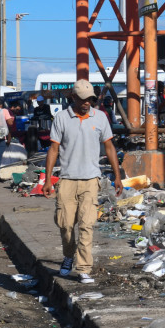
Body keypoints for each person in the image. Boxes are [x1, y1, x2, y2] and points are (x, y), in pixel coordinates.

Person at [42, 80, 123, 285]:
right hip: (67, 180)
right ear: (73, 98)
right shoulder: (62, 118)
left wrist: (118, 176)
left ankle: (84, 268)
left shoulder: (100, 117)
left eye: (90, 99)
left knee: (87, 225)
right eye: (83, 99)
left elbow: (109, 147)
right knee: (66, 225)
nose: (87, 103)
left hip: (90, 180)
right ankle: (68, 256)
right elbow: (53, 149)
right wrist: (48, 179)